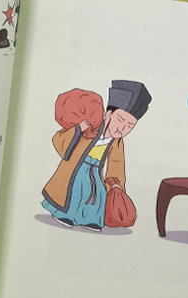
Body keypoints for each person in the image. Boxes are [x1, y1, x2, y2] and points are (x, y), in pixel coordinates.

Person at [42, 80, 151, 231]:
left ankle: (90, 219)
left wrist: (116, 183)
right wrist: (78, 129)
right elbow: (58, 139)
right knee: (75, 188)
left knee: (98, 192)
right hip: (76, 168)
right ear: (109, 114)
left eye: (129, 126)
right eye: (121, 120)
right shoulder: (91, 125)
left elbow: (116, 163)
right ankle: (64, 214)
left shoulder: (116, 141)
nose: (122, 128)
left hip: (94, 172)